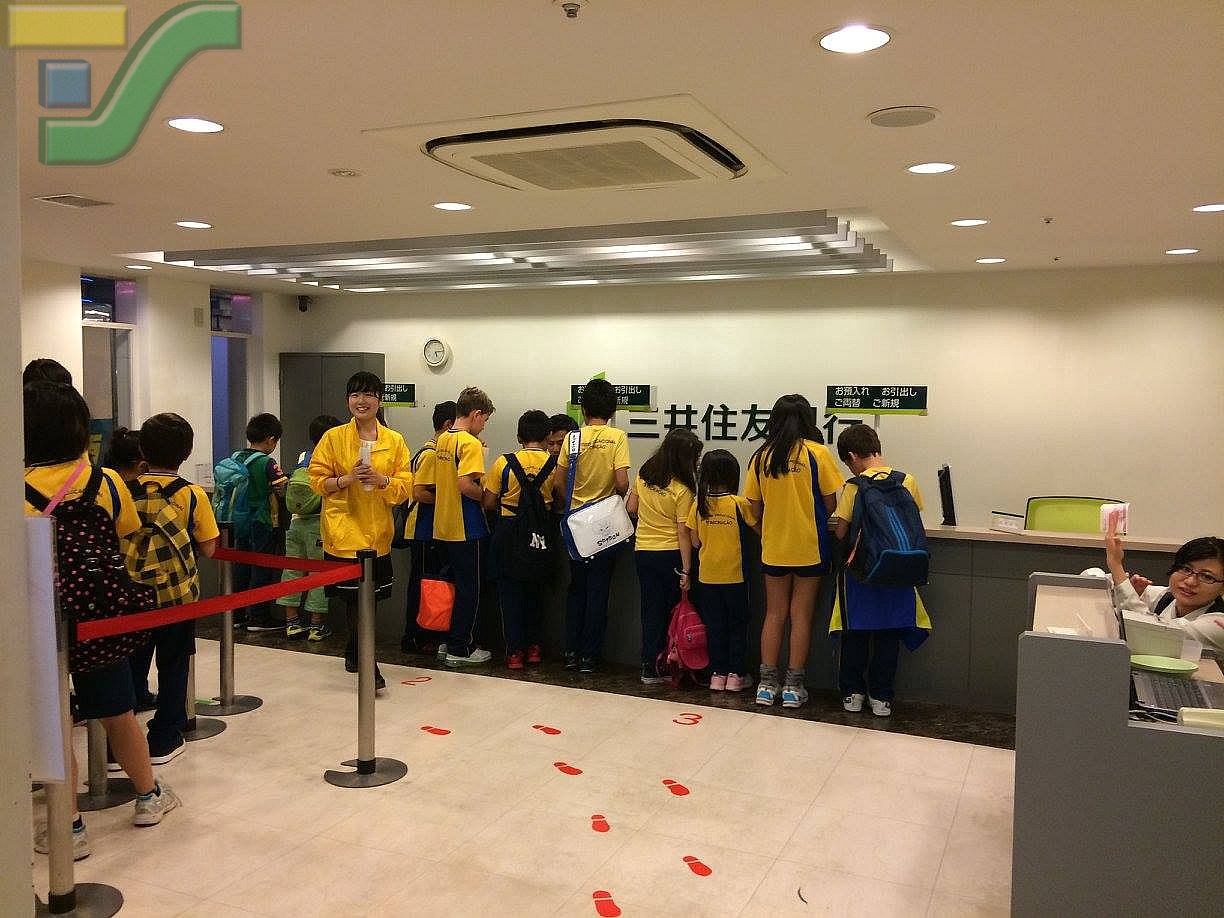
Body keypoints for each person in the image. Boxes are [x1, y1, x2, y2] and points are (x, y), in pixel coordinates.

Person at [24, 383, 179, 861]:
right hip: (99, 616)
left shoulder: (15, 485)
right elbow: (125, 531)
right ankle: (148, 796)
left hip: (38, 621)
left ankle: (68, 825)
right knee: (118, 713)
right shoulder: (105, 481)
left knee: (56, 723)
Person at [309, 372, 414, 691]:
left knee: (371, 600)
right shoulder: (333, 438)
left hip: (378, 534)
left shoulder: (394, 440)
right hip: (344, 533)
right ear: (347, 401)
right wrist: (346, 479)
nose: (361, 401)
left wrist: (382, 480)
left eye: (368, 394)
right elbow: (317, 481)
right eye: (355, 395)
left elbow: (405, 486)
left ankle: (354, 651)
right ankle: (369, 665)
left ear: (379, 400)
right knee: (356, 601)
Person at [131, 413, 221, 762]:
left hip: (131, 595)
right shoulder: (191, 494)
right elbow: (209, 546)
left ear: (143, 449)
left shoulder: (123, 489)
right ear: (186, 453)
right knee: (174, 663)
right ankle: (165, 735)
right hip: (177, 596)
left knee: (131, 662)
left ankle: (118, 740)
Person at [744, 394, 844, 708]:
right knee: (801, 615)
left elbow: (752, 508)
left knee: (774, 614)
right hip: (810, 548)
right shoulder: (817, 453)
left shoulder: (762, 456)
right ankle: (792, 687)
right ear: (807, 420)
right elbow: (831, 502)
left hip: (774, 548)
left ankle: (765, 685)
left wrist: (767, 531)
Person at [828, 424, 932, 717]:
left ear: (852, 456)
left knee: (856, 633)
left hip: (862, 573)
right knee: (889, 634)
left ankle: (853, 694)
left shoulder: (854, 486)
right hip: (899, 571)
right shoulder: (908, 481)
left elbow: (842, 531)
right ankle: (881, 697)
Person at [551, 378, 632, 674]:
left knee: (577, 589)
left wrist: (573, 506)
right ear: (612, 410)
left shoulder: (572, 439)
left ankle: (570, 652)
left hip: (576, 526)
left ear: (583, 409)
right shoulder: (617, 437)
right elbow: (622, 482)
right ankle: (589, 656)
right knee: (599, 590)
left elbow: (559, 483)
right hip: (604, 528)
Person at [414, 387, 495, 667]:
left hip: (442, 525)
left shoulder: (443, 440)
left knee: (449, 587)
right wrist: (486, 497)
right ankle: (462, 647)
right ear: (476, 414)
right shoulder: (469, 443)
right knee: (469, 590)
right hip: (467, 526)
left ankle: (447, 641)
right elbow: (465, 484)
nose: (484, 425)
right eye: (485, 420)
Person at [626, 428, 702, 685]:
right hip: (670, 554)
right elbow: (683, 532)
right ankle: (669, 664)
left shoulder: (644, 474)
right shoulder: (682, 490)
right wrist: (687, 570)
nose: (697, 463)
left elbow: (631, 507)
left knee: (650, 610)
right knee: (672, 612)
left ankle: (649, 665)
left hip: (643, 551)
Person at [483, 410, 557, 668]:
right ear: (547, 437)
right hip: (540, 533)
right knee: (536, 592)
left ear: (518, 437)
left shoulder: (503, 463)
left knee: (510, 593)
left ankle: (514, 652)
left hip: (508, 531)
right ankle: (535, 649)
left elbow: (489, 501)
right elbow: (559, 497)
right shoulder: (554, 465)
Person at [684, 449, 759, 692]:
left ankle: (717, 674)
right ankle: (736, 675)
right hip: (735, 576)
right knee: (737, 625)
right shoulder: (739, 504)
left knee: (714, 626)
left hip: (707, 576)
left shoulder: (698, 505)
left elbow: (695, 542)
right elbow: (760, 529)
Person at [100, 427, 156, 711]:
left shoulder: (98, 480)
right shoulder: (127, 488)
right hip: (131, 575)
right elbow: (131, 528)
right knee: (136, 645)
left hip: (99, 576)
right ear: (141, 463)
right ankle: (135, 694)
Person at [1104, 523, 1224, 653]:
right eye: (1186, 569)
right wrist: (1132, 594)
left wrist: (1116, 565)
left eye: (1206, 577)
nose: (1190, 582)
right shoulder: (1166, 596)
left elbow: (1156, 632)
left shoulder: (1218, 623)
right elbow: (1113, 602)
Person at [220, 413, 289, 632]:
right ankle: (259, 617)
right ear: (270, 439)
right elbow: (282, 489)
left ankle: (237, 615)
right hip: (262, 521)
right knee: (262, 568)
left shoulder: (236, 457)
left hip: (238, 521)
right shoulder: (267, 462)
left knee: (241, 567)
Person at [400, 400, 456, 656]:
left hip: (427, 528)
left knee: (427, 583)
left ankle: (422, 634)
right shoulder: (432, 455)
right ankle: (416, 636)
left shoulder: (430, 451)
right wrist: (450, 498)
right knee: (424, 584)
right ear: (448, 425)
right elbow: (420, 492)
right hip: (423, 529)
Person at [280, 414, 343, 640]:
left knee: (292, 571)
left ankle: (292, 623)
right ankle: (317, 626)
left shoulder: (303, 456)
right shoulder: (331, 460)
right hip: (318, 523)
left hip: (295, 522)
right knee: (318, 574)